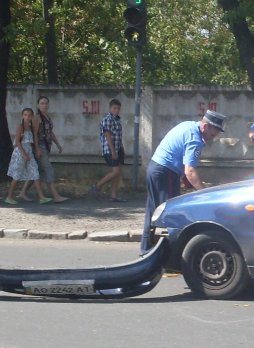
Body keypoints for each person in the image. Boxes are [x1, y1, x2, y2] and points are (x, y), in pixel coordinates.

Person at [141, 109, 226, 254]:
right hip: (165, 173)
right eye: (212, 134)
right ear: (205, 127)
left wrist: (185, 180)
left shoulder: (188, 125)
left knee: (153, 212)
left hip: (155, 169)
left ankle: (146, 250)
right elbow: (190, 171)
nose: (212, 138)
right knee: (168, 216)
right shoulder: (195, 139)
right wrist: (204, 193)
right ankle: (163, 255)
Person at [19, 95, 67, 203]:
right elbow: (34, 134)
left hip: (46, 146)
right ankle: (55, 196)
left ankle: (22, 192)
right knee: (48, 169)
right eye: (42, 103)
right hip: (40, 147)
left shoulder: (47, 117)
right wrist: (37, 149)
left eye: (46, 103)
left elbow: (50, 132)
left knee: (37, 172)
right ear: (38, 105)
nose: (44, 105)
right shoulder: (37, 118)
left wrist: (58, 144)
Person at [5, 108, 50, 205]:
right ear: (22, 116)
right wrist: (24, 154)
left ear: (32, 116)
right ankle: (9, 196)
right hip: (20, 152)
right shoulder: (20, 126)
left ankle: (42, 197)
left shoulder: (31, 127)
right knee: (16, 174)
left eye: (29, 115)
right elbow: (17, 141)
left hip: (29, 151)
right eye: (25, 115)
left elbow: (33, 140)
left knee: (35, 172)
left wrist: (35, 150)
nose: (27, 117)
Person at [91, 98, 126, 202]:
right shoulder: (107, 119)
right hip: (110, 149)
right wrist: (113, 151)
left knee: (118, 173)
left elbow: (118, 136)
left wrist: (121, 149)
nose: (116, 110)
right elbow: (108, 136)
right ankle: (97, 186)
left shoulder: (117, 120)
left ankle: (113, 196)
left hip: (118, 148)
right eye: (114, 108)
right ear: (110, 108)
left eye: (118, 108)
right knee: (116, 172)